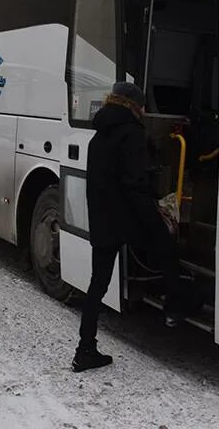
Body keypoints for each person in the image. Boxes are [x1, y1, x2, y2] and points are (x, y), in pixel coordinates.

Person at [73, 82, 183, 373]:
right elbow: (134, 184)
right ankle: (175, 308)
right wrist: (155, 218)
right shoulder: (132, 134)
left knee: (97, 284)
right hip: (127, 219)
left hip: (102, 219)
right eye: (143, 105)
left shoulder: (98, 135)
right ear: (133, 105)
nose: (145, 110)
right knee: (166, 248)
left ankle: (85, 349)